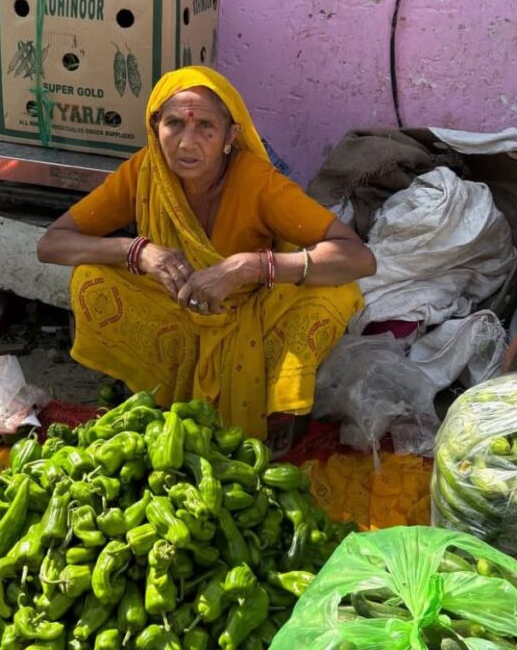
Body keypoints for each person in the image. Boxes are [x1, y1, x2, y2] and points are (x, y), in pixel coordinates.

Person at [37, 67, 376, 456]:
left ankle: (279, 410)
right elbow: (52, 243)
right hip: (178, 307)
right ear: (154, 127)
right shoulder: (146, 172)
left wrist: (249, 266)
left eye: (206, 128)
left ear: (231, 136)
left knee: (332, 294)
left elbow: (357, 257)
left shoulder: (258, 183)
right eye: (174, 124)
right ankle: (156, 388)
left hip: (251, 312)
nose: (186, 143)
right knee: (92, 278)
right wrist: (137, 251)